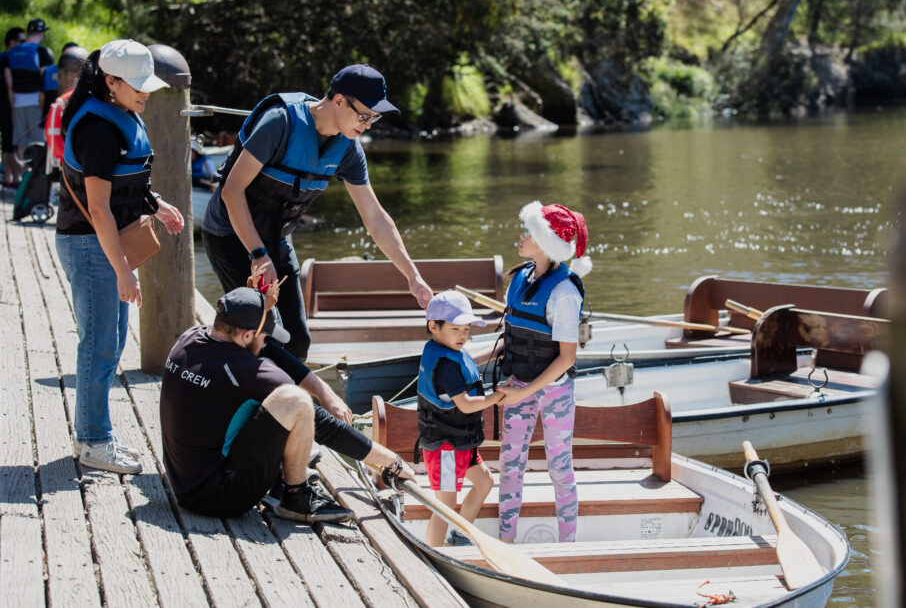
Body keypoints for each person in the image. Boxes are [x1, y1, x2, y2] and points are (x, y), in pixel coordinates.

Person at [201, 64, 432, 360]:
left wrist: (412, 275)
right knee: (261, 334)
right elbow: (232, 191)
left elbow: (375, 218)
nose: (368, 125)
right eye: (364, 116)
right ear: (339, 101)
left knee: (297, 342)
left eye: (374, 117)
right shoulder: (280, 123)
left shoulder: (348, 149)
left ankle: (278, 389)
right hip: (231, 234)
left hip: (276, 239)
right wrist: (258, 255)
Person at [160, 285, 415, 522]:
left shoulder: (191, 338)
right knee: (296, 401)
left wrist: (325, 393)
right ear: (247, 335)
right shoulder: (244, 372)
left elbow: (265, 350)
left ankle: (283, 474)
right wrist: (391, 461)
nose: (267, 343)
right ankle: (296, 496)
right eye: (265, 337)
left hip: (183, 484)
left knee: (260, 386)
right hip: (220, 498)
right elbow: (324, 425)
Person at [55, 39, 185, 474]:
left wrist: (156, 204)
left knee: (110, 343)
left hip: (104, 246)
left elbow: (125, 183)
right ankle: (93, 440)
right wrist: (123, 270)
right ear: (111, 82)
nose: (146, 92)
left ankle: (93, 434)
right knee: (100, 346)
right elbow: (97, 208)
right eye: (137, 84)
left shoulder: (122, 112)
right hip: (90, 245)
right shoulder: (98, 129)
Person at [495, 201, 591, 544]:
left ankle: (568, 545)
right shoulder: (519, 279)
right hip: (517, 382)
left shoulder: (564, 292)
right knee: (510, 466)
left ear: (546, 243)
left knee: (559, 468)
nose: (522, 236)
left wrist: (524, 392)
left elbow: (566, 359)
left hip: (554, 391)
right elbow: (512, 337)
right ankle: (506, 542)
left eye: (529, 231)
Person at [416, 290, 506, 546]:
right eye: (456, 329)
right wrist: (497, 397)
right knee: (444, 506)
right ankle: (433, 554)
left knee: (484, 482)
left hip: (460, 441)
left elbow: (469, 363)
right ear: (434, 326)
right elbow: (465, 405)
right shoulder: (445, 366)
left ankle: (459, 536)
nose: (463, 335)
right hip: (445, 445)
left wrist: (500, 347)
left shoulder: (449, 351)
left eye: (467, 329)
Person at [4, 18, 54, 184]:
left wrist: (12, 108)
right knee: (39, 142)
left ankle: (23, 180)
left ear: (28, 33)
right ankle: (36, 181)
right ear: (41, 34)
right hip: (36, 104)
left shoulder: (12, 52)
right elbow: (45, 81)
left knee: (21, 143)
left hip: (17, 103)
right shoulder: (42, 52)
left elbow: (10, 85)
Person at [1, 26, 26, 186]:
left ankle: (9, 178)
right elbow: (9, 86)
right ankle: (13, 178)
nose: (23, 44)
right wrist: (12, 109)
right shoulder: (8, 58)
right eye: (21, 41)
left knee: (7, 143)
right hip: (6, 105)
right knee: (10, 144)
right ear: (12, 42)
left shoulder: (2, 57)